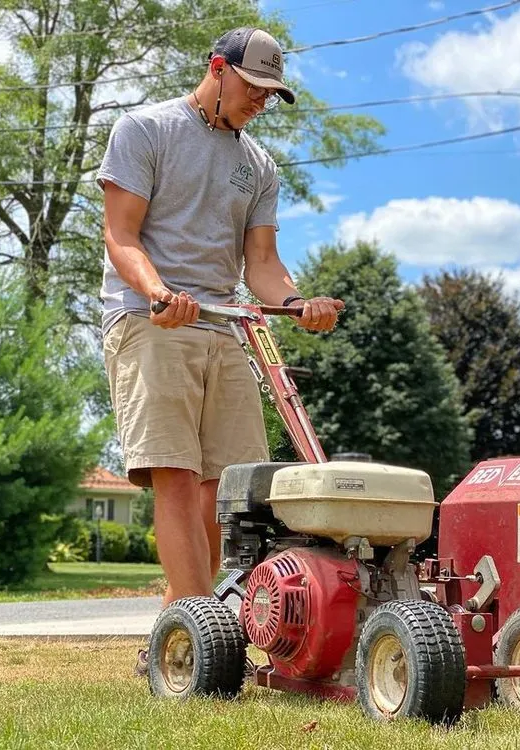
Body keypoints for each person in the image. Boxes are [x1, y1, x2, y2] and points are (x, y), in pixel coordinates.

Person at [95, 27, 344, 674]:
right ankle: (205, 643)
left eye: (272, 93)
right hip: (152, 321)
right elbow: (120, 237)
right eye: (254, 87)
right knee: (174, 476)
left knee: (228, 489)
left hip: (226, 325)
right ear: (218, 69)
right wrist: (157, 293)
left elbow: (262, 265)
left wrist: (297, 304)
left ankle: (176, 640)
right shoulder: (144, 130)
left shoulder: (258, 165)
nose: (262, 101)